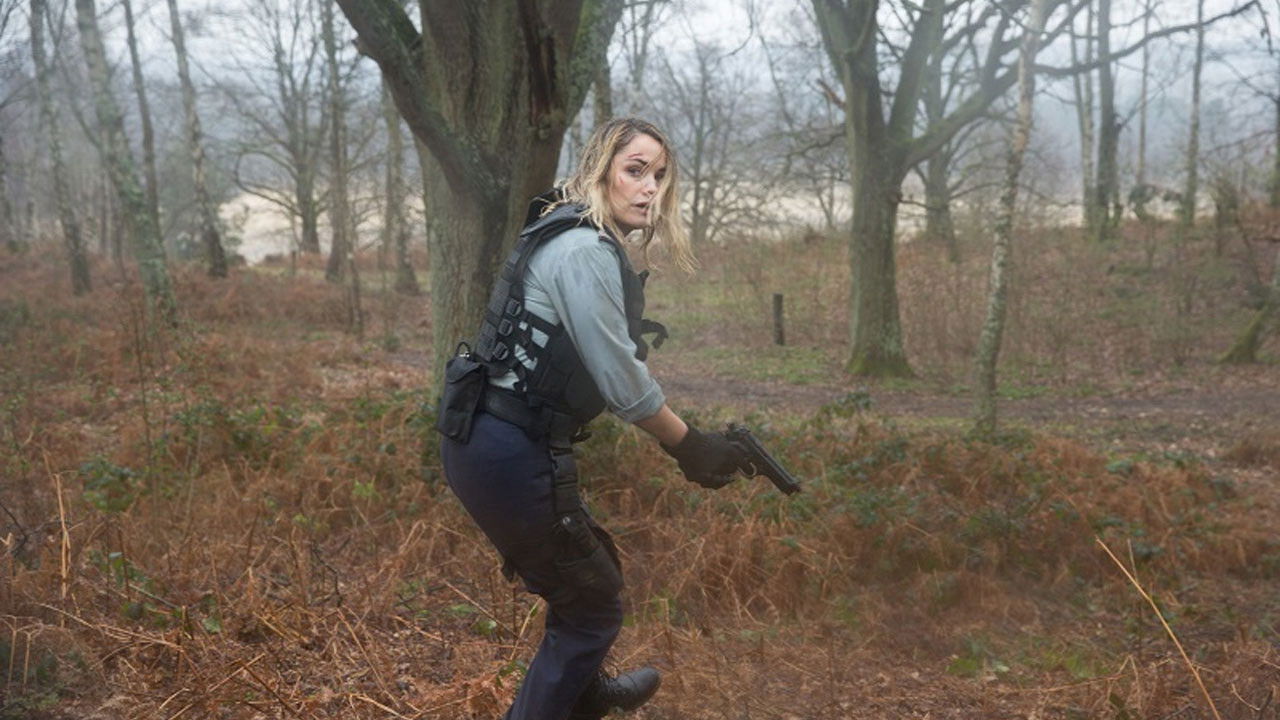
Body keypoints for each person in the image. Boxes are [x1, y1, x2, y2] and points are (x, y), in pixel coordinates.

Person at [436, 117, 747, 720]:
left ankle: (579, 691)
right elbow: (624, 384)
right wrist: (691, 446)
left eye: (659, 175)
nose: (650, 188)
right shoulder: (582, 249)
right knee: (592, 606)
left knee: (586, 580)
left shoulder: (573, 234)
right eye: (635, 170)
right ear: (599, 170)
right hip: (506, 446)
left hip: (497, 438)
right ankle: (574, 697)